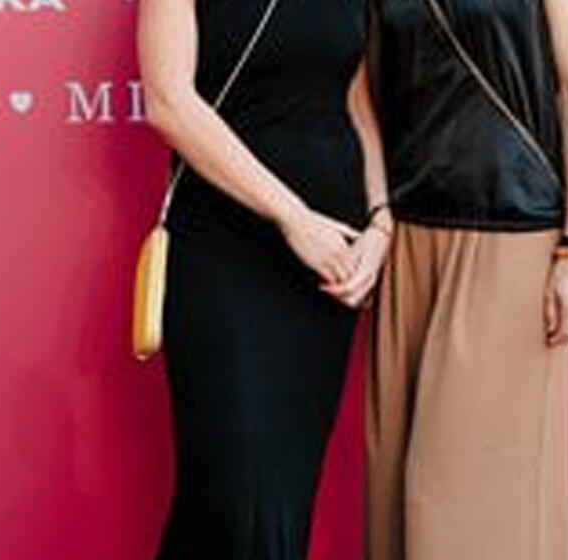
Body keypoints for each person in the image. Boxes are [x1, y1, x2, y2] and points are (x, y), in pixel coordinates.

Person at [136, 0, 390, 558]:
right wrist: (292, 217)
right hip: (225, 251)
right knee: (235, 503)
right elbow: (169, 102)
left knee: (277, 501)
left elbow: (354, 99)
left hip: (326, 264)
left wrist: (380, 219)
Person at [365, 1, 568, 559]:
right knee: (395, 488)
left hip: (513, 236)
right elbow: (366, 93)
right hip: (408, 241)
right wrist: (378, 215)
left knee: (470, 495)